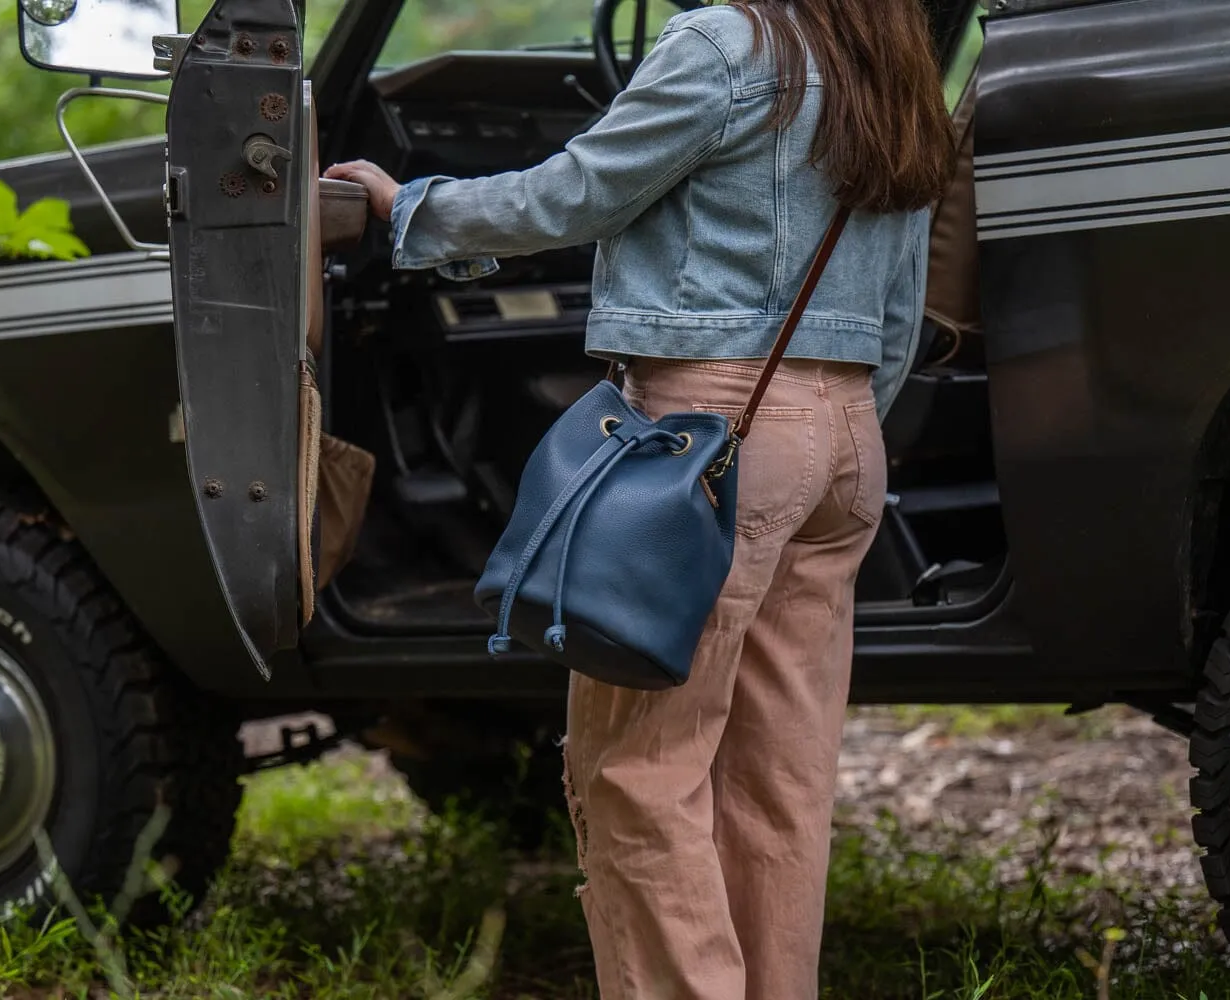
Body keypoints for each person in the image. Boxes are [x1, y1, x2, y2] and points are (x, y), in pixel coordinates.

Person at [325, 0, 955, 995]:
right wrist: (832, 427)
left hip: (708, 438)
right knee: (782, 779)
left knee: (638, 768)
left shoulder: (726, 44)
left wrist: (411, 208)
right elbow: (902, 298)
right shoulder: (893, 62)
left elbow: (574, 194)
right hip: (845, 445)